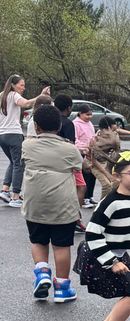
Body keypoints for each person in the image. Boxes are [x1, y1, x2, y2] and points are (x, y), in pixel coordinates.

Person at [78, 153, 130, 321]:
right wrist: (111, 262)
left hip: (120, 254)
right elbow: (91, 235)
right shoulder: (110, 202)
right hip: (101, 255)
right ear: (117, 176)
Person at [21, 103, 82, 302]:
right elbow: (78, 166)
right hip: (62, 204)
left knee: (38, 240)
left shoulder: (27, 145)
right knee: (61, 245)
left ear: (36, 126)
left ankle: (42, 273)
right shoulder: (69, 149)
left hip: (35, 203)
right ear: (59, 127)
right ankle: (62, 288)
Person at [0, 75, 51, 207]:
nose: (23, 88)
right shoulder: (13, 95)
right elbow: (27, 104)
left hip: (2, 135)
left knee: (13, 162)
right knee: (19, 164)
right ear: (13, 85)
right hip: (13, 134)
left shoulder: (2, 96)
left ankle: (5, 190)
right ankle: (15, 196)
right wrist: (41, 97)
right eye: (21, 85)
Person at [90, 117, 130, 202]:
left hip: (108, 162)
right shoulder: (97, 139)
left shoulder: (113, 134)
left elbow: (119, 131)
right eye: (113, 127)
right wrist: (107, 174)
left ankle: (117, 200)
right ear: (107, 128)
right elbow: (93, 161)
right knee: (107, 184)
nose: (115, 131)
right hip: (97, 164)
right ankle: (103, 202)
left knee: (116, 182)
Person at [73, 104, 98, 208]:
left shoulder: (90, 124)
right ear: (80, 113)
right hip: (81, 152)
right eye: (87, 115)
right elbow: (75, 139)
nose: (89, 117)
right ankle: (83, 198)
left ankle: (90, 196)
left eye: (91, 115)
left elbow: (92, 136)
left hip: (91, 152)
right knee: (84, 175)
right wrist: (85, 146)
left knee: (93, 175)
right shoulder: (75, 124)